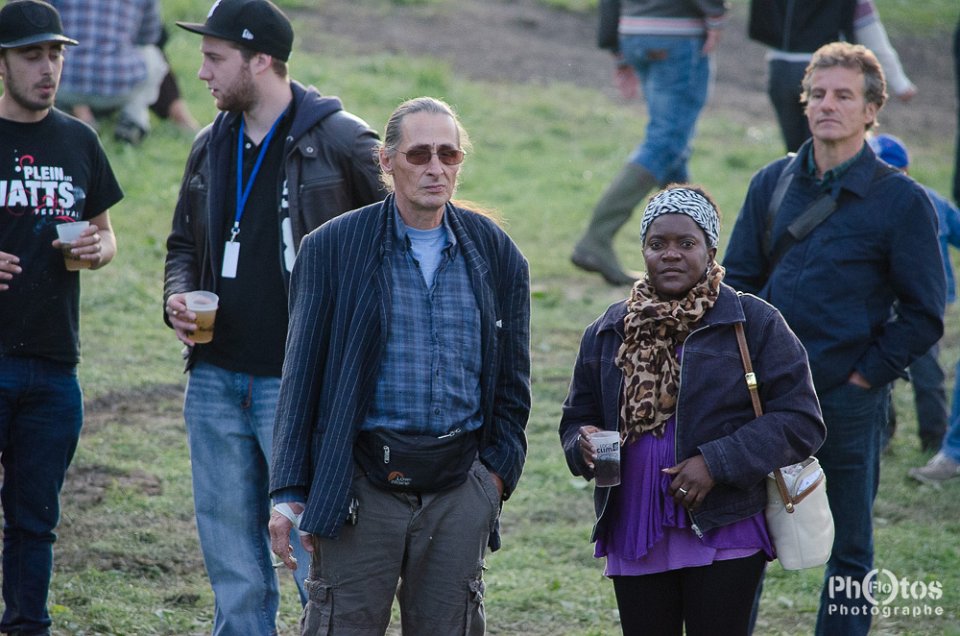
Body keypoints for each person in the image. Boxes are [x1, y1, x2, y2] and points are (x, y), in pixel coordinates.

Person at [268, 96, 531, 635]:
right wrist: (290, 491)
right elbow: (301, 375)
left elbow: (513, 382)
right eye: (419, 155)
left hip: (459, 487)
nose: (435, 168)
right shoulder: (332, 248)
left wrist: (495, 478)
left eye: (448, 155)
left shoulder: (497, 253)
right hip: (360, 485)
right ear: (387, 162)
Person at [161, 0, 384, 633]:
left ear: (260, 60)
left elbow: (398, 246)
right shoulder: (210, 144)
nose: (201, 72)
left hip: (300, 384)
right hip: (214, 378)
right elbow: (183, 246)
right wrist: (177, 297)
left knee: (318, 556)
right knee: (231, 560)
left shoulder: (342, 141)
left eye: (214, 57)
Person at [723, 42, 944, 635]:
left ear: (872, 110)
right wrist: (746, 370)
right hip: (764, 401)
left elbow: (924, 314)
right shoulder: (772, 183)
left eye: (844, 95)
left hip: (847, 402)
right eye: (818, 94)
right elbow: (737, 283)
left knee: (849, 552)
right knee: (742, 539)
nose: (827, 105)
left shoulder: (902, 201)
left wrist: (863, 377)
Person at [559, 185, 825, 635]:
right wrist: (580, 443)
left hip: (724, 525)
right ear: (643, 251)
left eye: (686, 243)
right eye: (657, 243)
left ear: (711, 251)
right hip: (634, 525)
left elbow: (801, 421)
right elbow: (576, 417)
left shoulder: (752, 323)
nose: (671, 254)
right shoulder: (608, 330)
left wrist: (716, 463)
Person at [0, 0, 122, 633]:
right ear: (1, 63)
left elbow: (106, 234)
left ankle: (28, 625)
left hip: (54, 362)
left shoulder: (79, 140)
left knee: (35, 520)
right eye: (32, 55)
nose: (48, 68)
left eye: (55, 54)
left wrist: (99, 249)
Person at [570, 0, 726, 286]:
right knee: (666, 142)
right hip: (677, 33)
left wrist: (615, 45)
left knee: (674, 147)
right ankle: (597, 237)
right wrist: (715, 14)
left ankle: (695, 249)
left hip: (634, 31)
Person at [868, 133, 960, 454]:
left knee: (927, 368)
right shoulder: (863, 205)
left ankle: (935, 437)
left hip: (926, 300)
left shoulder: (929, 202)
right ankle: (882, 436)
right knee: (881, 366)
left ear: (905, 170)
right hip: (882, 298)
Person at [748, 0, 917, 153]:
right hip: (828, 70)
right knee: (831, 149)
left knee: (797, 153)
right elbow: (870, 31)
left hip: (779, 69)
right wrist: (900, 83)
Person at [51, 0, 168, 144]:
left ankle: (60, 112)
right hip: (118, 86)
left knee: (50, 51)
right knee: (152, 53)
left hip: (64, 84)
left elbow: (42, 19)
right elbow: (149, 36)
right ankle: (133, 120)